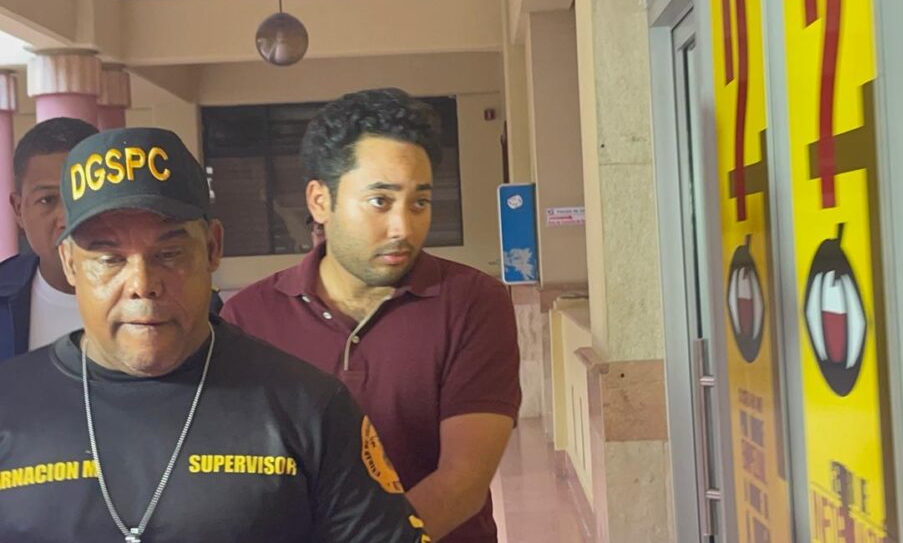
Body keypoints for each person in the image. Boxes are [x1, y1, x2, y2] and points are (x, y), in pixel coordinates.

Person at [0, 127, 429, 543]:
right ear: (70, 264)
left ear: (212, 249)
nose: (142, 284)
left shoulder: (309, 407)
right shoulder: (10, 405)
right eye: (109, 259)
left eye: (169, 253)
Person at [222, 88, 520, 543]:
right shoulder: (248, 318)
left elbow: (461, 483)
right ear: (320, 201)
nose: (404, 227)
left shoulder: (473, 302)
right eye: (380, 201)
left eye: (419, 203)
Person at [0, 117, 99, 359]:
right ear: (18, 209)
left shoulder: (152, 293)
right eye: (47, 200)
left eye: (81, 197)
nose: (66, 219)